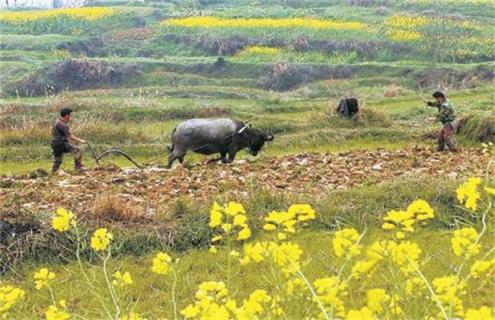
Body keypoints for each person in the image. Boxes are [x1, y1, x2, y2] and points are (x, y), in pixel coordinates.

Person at [51, 108, 86, 173]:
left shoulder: (57, 121)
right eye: (70, 115)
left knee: (58, 160)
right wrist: (80, 140)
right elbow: (70, 136)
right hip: (61, 143)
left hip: (55, 144)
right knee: (78, 150)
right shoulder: (62, 124)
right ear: (66, 115)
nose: (71, 117)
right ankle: (78, 167)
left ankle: (54, 171)